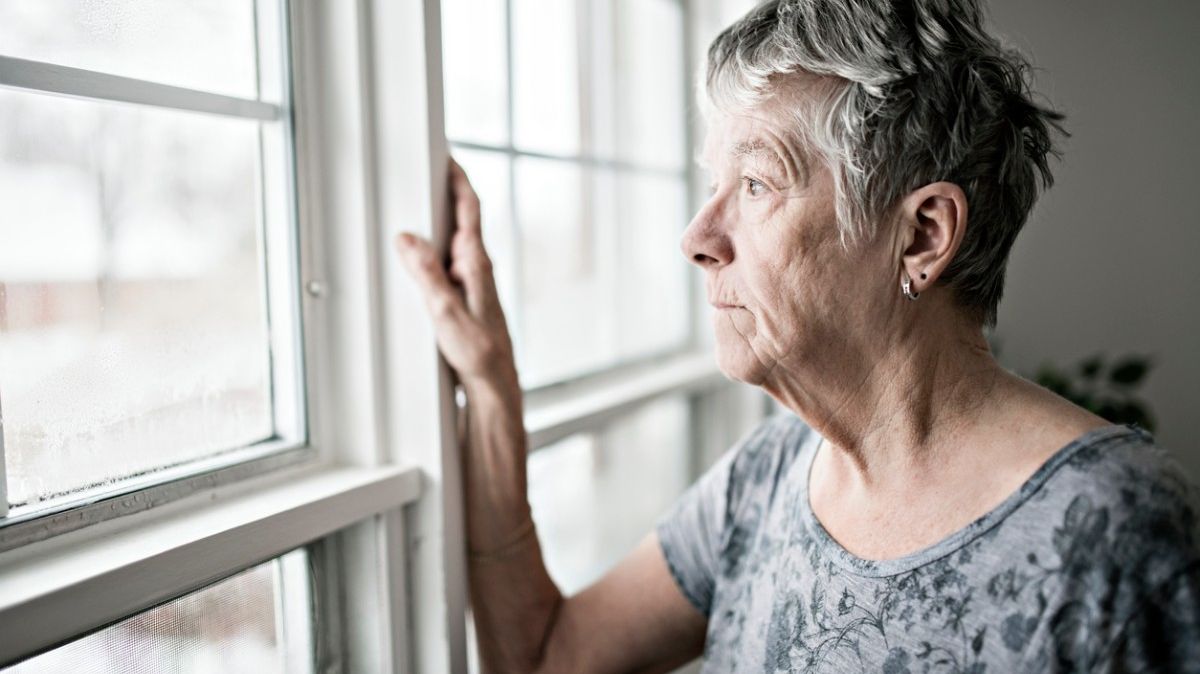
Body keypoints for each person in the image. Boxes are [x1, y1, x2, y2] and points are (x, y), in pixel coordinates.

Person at [395, 0, 1200, 671]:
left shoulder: (1111, 532)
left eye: (755, 182)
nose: (698, 235)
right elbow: (544, 658)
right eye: (713, 184)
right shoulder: (768, 476)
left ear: (922, 236)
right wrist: (493, 392)